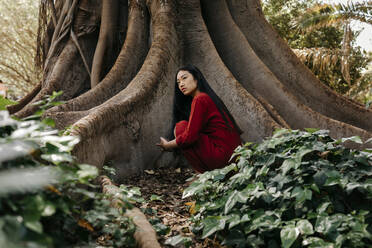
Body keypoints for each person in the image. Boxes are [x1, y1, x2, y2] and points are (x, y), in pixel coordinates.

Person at [156, 65, 242, 173]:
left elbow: (190, 137)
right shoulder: (207, 97)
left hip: (223, 157)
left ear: (196, 79)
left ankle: (202, 176)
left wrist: (168, 145)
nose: (181, 84)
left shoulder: (200, 99)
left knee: (181, 128)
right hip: (235, 158)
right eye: (178, 82)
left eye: (184, 78)